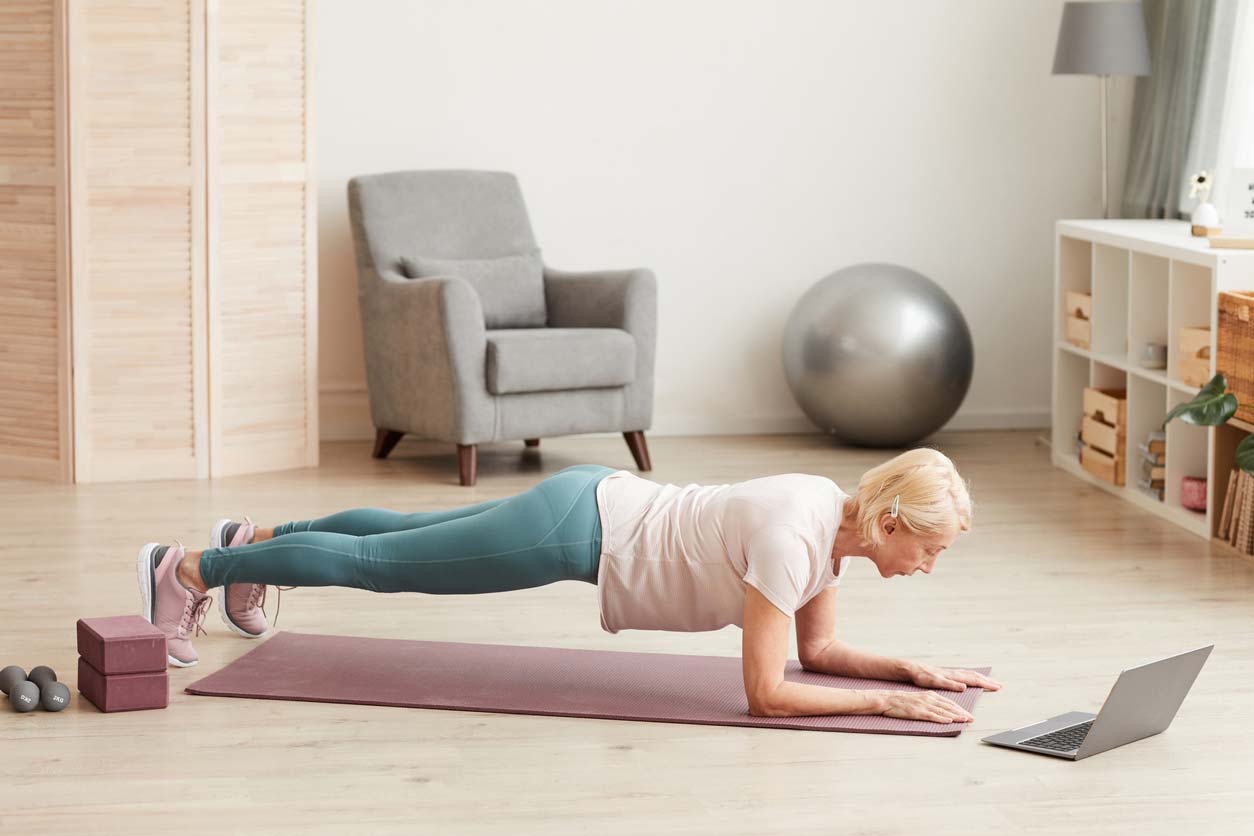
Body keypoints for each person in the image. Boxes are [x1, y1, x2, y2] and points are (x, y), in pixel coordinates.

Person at [137, 449, 1000, 722]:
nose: (929, 567)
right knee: (385, 568)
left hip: (592, 501)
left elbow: (819, 651)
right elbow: (769, 692)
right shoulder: (792, 539)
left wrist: (907, 672)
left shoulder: (827, 514)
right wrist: (882, 710)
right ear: (890, 523)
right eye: (932, 549)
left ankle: (253, 543)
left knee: (402, 537)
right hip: (576, 530)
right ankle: (188, 568)